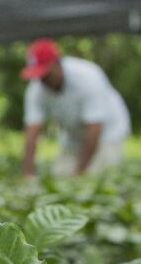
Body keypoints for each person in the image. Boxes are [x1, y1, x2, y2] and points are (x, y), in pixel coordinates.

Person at [21, 38, 130, 178]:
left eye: (45, 74)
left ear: (56, 64)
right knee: (60, 176)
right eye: (38, 75)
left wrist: (79, 173)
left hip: (107, 133)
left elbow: (95, 128)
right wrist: (28, 174)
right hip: (74, 137)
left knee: (99, 177)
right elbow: (32, 131)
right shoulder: (36, 89)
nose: (42, 80)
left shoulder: (87, 77)